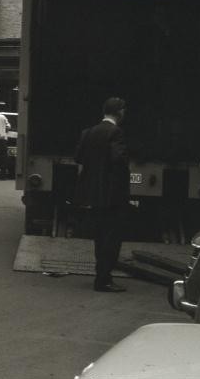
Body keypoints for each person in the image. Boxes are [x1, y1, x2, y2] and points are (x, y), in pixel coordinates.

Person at [75, 97, 130, 293]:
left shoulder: (87, 132)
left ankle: (101, 275)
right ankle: (104, 279)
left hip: (93, 195)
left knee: (99, 238)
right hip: (113, 196)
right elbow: (119, 162)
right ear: (120, 112)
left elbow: (79, 158)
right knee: (112, 239)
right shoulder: (116, 133)